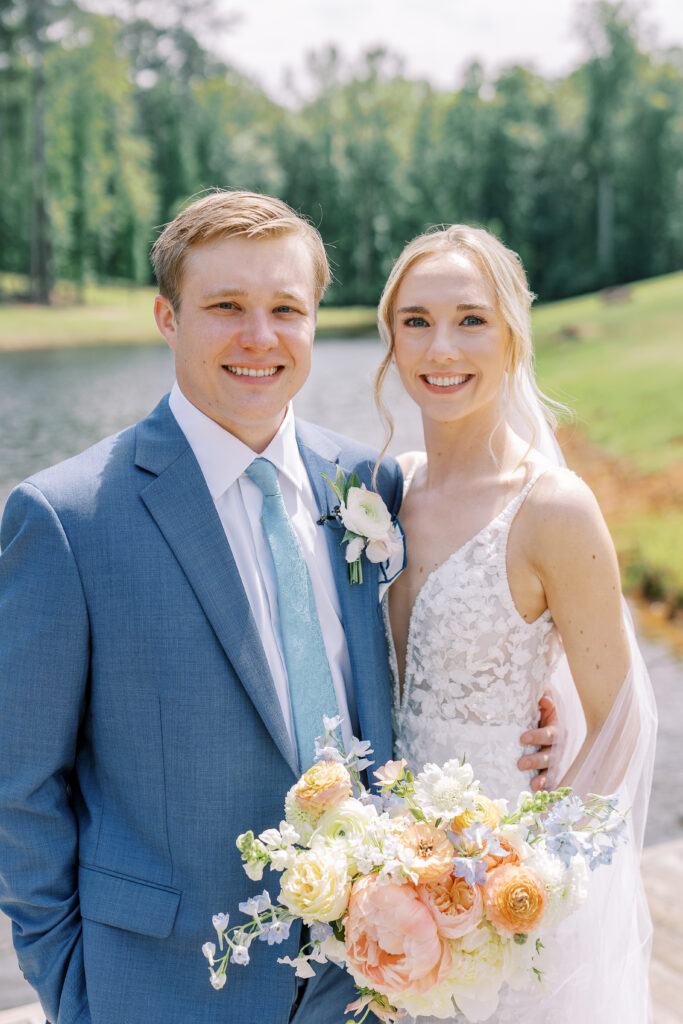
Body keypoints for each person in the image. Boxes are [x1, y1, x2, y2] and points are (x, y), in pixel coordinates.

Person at [0, 191, 552, 1024]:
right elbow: (19, 786)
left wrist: (539, 726)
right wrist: (73, 989)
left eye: (285, 309)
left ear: (313, 319)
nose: (259, 337)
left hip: (368, 982)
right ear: (166, 316)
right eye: (226, 306)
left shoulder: (368, 485)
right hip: (157, 986)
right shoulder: (68, 519)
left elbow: (440, 655)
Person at [376, 224, 657, 1023]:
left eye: (470, 319)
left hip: (506, 903)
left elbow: (623, 724)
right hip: (381, 886)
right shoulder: (380, 494)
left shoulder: (551, 509)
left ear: (511, 335)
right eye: (415, 321)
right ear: (390, 336)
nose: (441, 348)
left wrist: (527, 876)